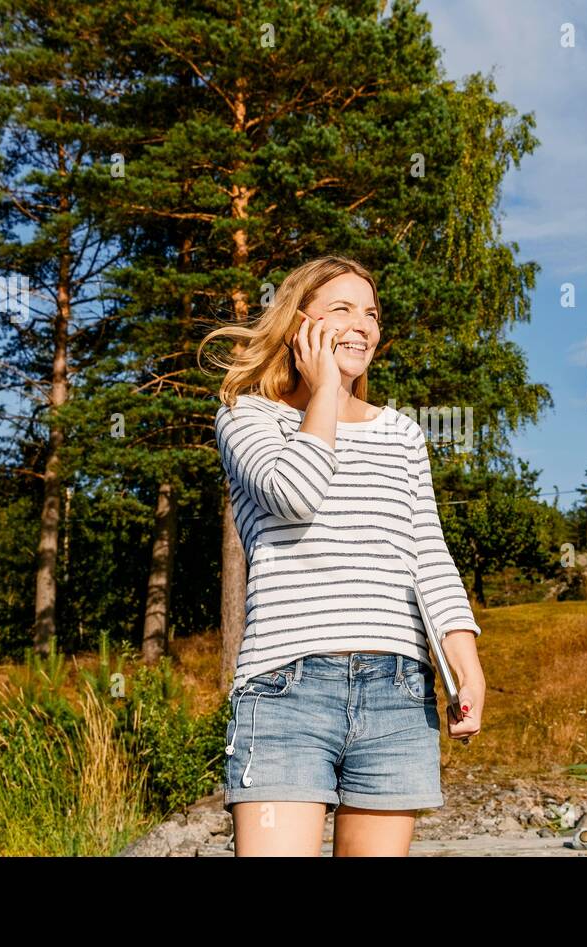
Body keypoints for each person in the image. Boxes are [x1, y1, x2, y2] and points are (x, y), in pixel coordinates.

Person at [200, 256, 485, 856]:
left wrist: (467, 661)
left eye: (372, 313)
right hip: (284, 689)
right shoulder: (247, 416)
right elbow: (295, 495)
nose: (363, 325)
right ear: (300, 325)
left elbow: (429, 556)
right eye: (342, 310)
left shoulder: (402, 434)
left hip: (397, 689)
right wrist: (327, 388)